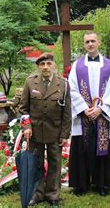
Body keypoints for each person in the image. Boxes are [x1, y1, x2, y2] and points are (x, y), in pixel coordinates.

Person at [68, 31, 110, 196]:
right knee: (81, 148)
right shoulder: (77, 65)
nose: (90, 44)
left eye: (93, 41)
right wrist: (84, 108)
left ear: (99, 42)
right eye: (87, 42)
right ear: (84, 45)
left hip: (102, 115)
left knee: (101, 147)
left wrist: (100, 109)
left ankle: (101, 184)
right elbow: (72, 88)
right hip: (83, 114)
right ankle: (81, 185)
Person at [18, 52, 71, 206]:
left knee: (55, 163)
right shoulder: (30, 83)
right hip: (35, 131)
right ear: (38, 67)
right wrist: (26, 126)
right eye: (42, 64)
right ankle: (37, 193)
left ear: (53, 65)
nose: (46, 67)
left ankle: (53, 194)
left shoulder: (64, 84)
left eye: (48, 64)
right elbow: (23, 108)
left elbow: (67, 112)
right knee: (37, 162)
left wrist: (65, 134)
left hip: (55, 131)